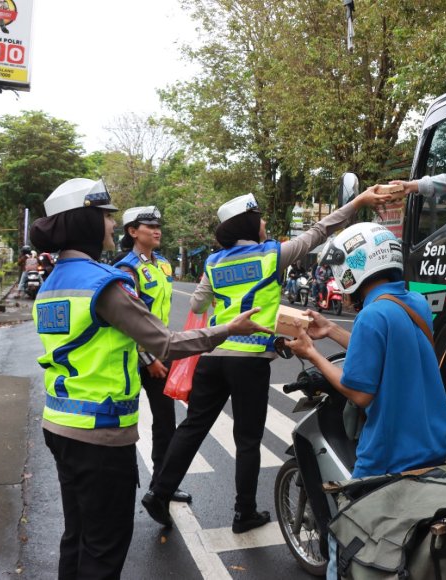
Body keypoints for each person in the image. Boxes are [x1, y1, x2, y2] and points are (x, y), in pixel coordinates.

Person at [30, 178, 273, 578]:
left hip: (59, 425)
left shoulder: (54, 282)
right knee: (104, 548)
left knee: (76, 536)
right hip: (100, 434)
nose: (111, 225)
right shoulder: (104, 284)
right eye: (105, 217)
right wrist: (227, 330)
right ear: (86, 223)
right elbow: (166, 342)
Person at [142, 187, 392, 533]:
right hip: (249, 362)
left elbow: (198, 306)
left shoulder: (214, 261)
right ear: (250, 225)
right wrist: (358, 202)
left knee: (192, 427)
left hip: (213, 357)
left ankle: (159, 492)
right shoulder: (273, 255)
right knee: (247, 440)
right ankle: (244, 512)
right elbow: (320, 230)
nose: (264, 225)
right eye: (260, 219)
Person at [285, 222, 446, 579]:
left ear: (354, 269)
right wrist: (330, 330)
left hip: (387, 457)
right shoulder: (414, 304)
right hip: (433, 446)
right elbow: (380, 350)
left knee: (344, 546)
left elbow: (360, 392)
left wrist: (312, 353)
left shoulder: (372, 315)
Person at [112, 206, 192, 505]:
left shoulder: (165, 266)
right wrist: (148, 359)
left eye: (158, 226)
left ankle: (163, 486)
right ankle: (122, 492)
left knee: (165, 425)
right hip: (138, 358)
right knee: (123, 423)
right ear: (133, 232)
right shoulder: (126, 269)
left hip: (162, 352)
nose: (156, 230)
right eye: (149, 226)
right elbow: (128, 319)